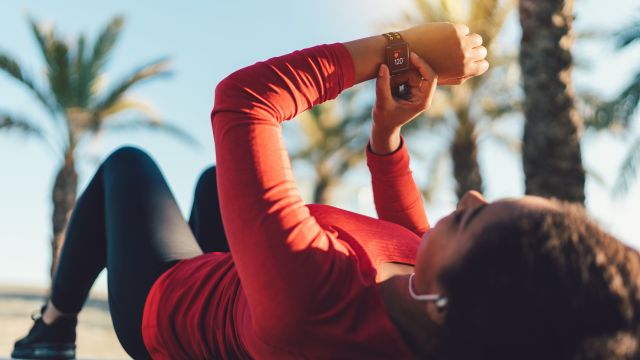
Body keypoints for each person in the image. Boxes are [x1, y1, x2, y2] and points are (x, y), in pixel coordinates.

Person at [12, 22, 640, 360]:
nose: (471, 199)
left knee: (128, 163)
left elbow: (245, 101)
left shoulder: (314, 299)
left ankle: (52, 330)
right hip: (252, 293)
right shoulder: (440, 321)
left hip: (166, 310)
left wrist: (401, 45)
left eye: (474, 221)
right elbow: (411, 237)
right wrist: (386, 137)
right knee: (210, 185)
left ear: (445, 302)